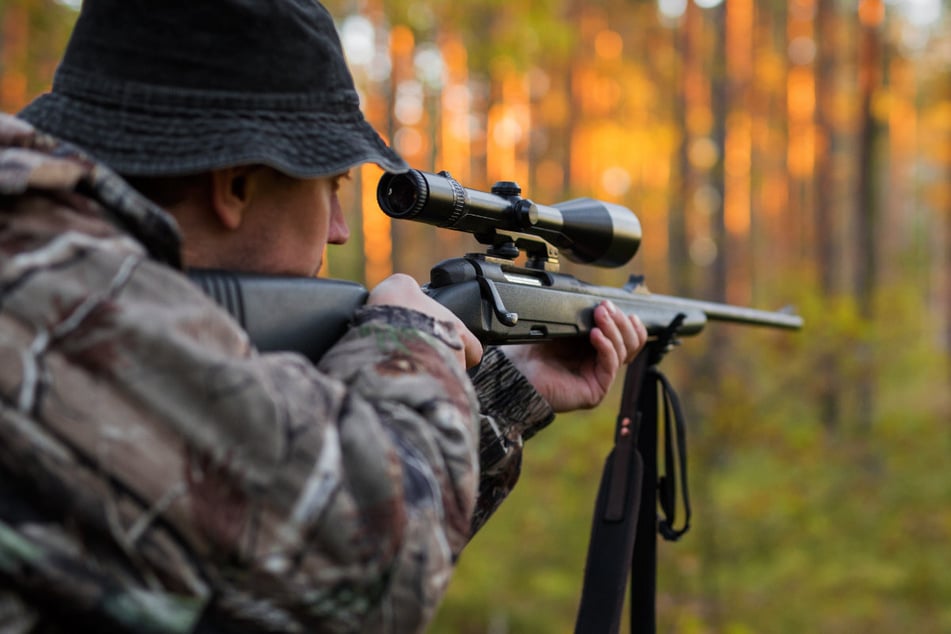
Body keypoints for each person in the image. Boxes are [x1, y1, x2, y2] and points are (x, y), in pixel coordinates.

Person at [0, 1, 646, 632]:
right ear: (237, 186)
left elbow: (258, 579)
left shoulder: (43, 269)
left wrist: (502, 398)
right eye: (332, 188)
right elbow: (365, 580)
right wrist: (407, 342)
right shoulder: (51, 286)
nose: (338, 232)